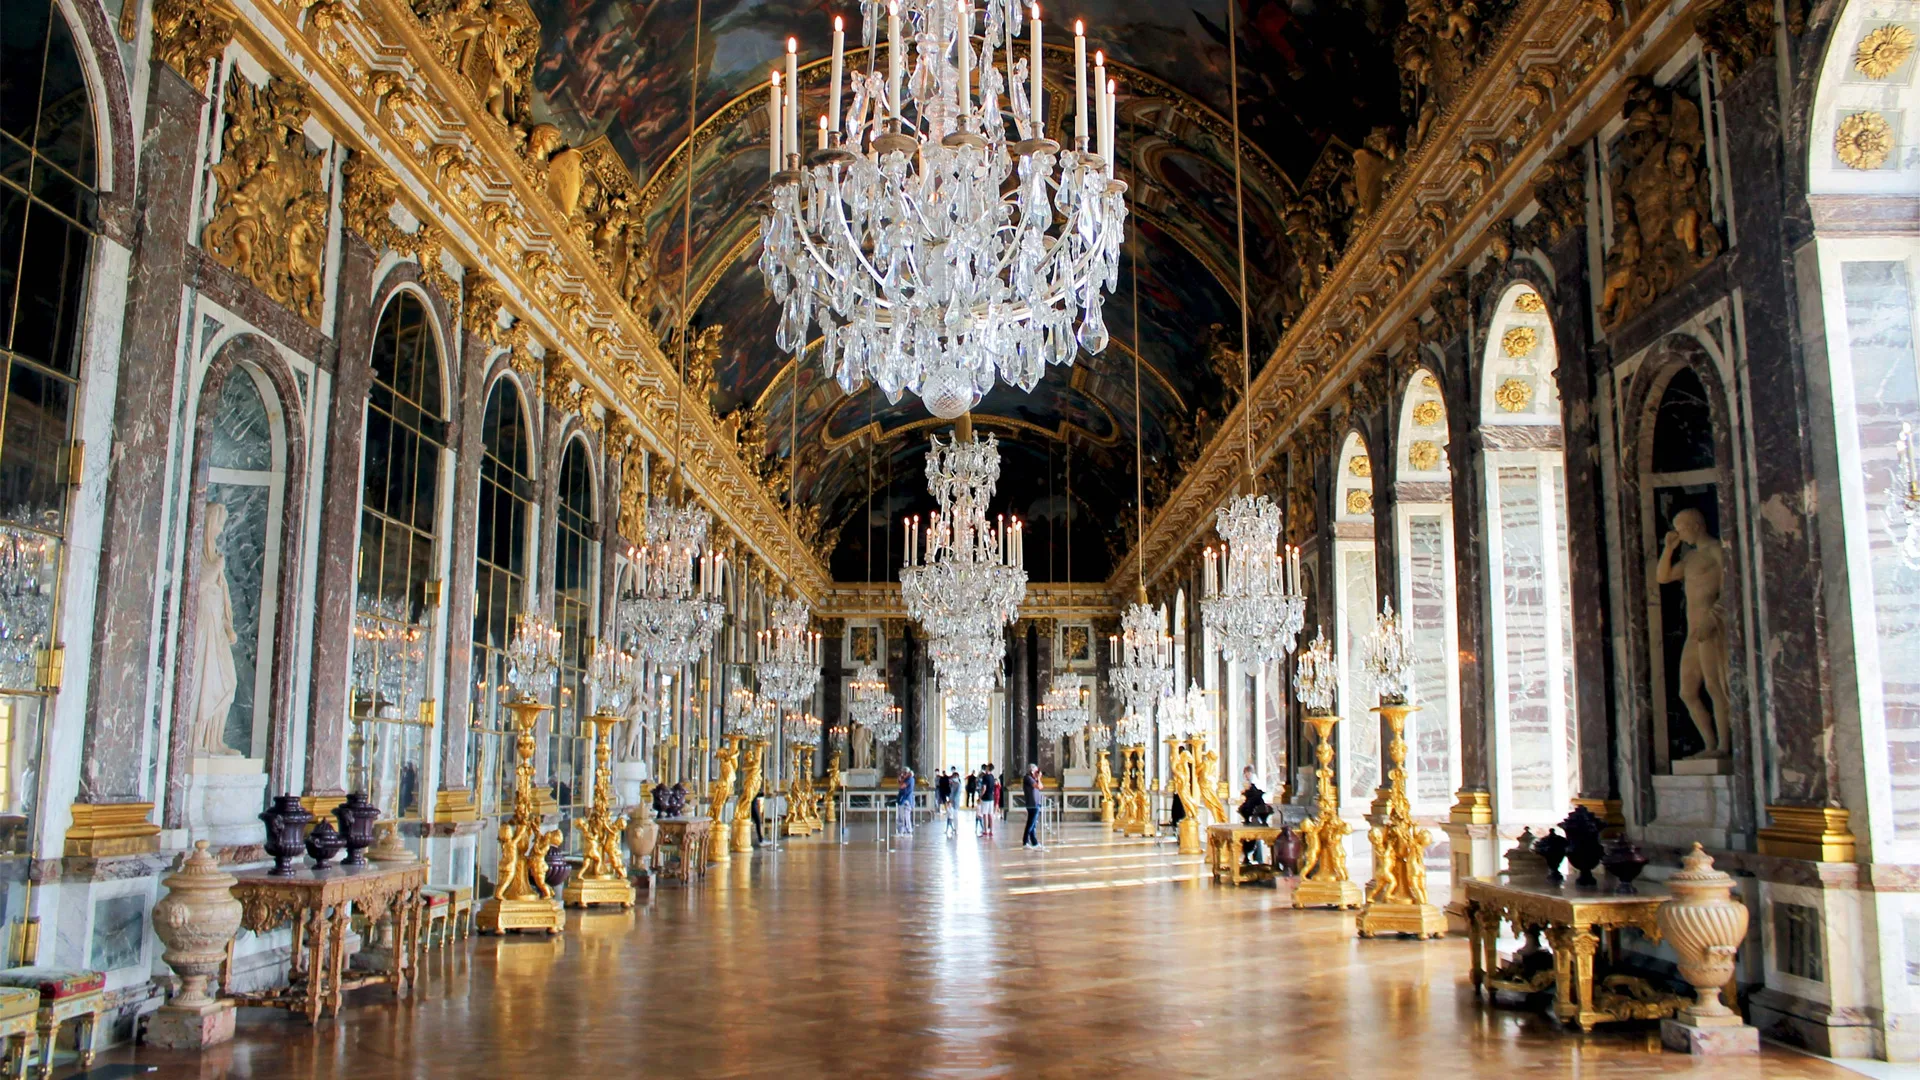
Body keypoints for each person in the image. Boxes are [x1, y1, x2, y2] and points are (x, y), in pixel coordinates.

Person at [1022, 763, 1045, 849]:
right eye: (1036, 771)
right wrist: (1038, 778)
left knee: (1033, 824)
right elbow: (1038, 786)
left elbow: (1041, 786)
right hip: (1032, 804)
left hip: (1035, 804)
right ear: (1031, 771)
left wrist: (1038, 778)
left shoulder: (1033, 779)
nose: (1037, 773)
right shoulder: (1027, 778)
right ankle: (1025, 842)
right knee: (1030, 824)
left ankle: (1034, 842)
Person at [976, 765, 997, 837]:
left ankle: (985, 830)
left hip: (985, 798)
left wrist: (980, 796)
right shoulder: (992, 776)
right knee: (990, 814)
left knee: (985, 814)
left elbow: (984, 788)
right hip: (991, 797)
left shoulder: (985, 777)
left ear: (988, 768)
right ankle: (991, 831)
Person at [895, 767, 915, 834]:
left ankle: (908, 829)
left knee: (906, 816)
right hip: (902, 799)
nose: (903, 774)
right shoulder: (906, 779)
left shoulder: (910, 779)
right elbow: (899, 783)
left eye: (904, 773)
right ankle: (902, 830)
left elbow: (901, 786)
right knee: (900, 816)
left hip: (906, 800)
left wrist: (902, 779)